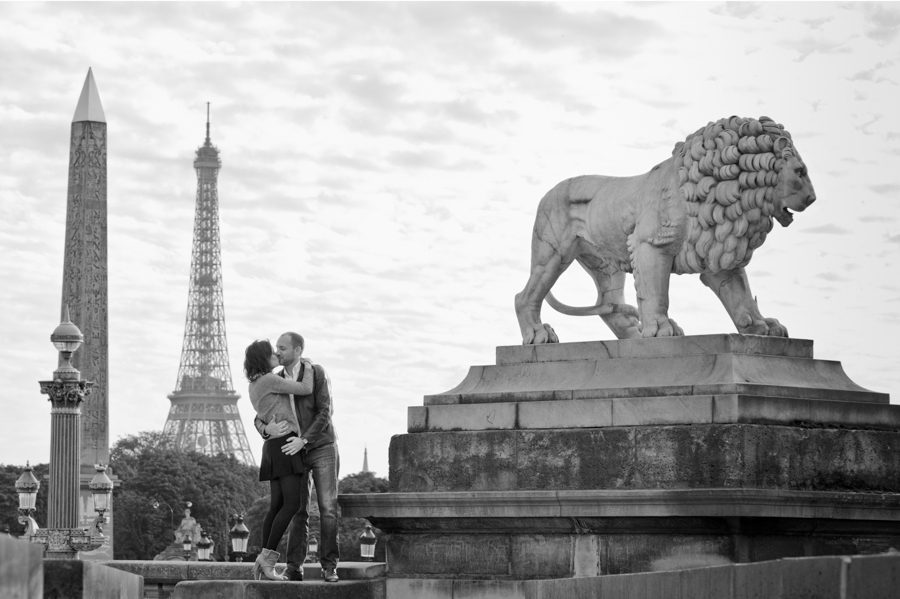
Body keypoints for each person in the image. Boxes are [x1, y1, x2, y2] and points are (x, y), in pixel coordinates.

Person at [254, 331, 340, 583]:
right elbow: (260, 413)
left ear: (297, 350)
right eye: (276, 348)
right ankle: (294, 567)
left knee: (327, 508)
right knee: (298, 510)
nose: (277, 352)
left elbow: (325, 411)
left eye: (282, 347)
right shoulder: (276, 378)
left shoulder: (317, 373)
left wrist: (305, 439)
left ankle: (329, 566)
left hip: (320, 445)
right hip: (293, 450)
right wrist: (264, 429)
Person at [244, 339, 315, 581]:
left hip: (273, 446)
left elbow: (259, 417)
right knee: (293, 504)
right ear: (264, 359)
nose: (276, 354)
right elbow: (305, 388)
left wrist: (266, 429)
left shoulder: (254, 385)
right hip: (285, 445)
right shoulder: (269, 380)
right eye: (271, 352)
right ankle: (267, 559)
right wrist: (307, 363)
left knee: (276, 506)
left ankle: (263, 561)